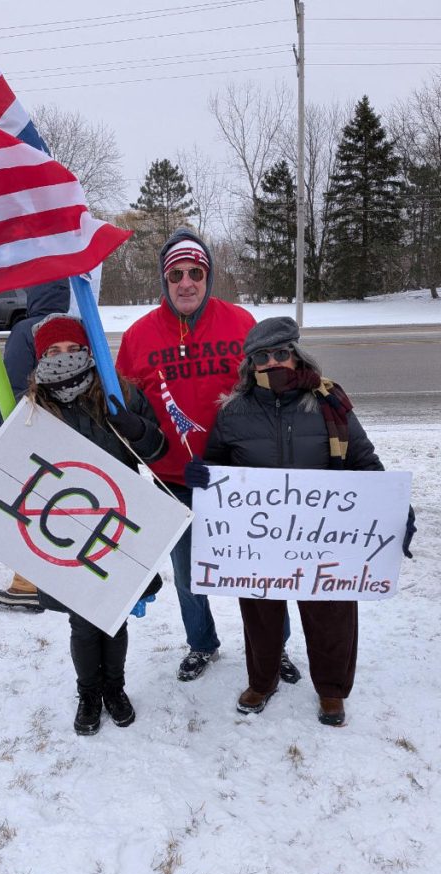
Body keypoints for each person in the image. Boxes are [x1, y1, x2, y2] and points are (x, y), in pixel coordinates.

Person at [185, 316, 414, 727]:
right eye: (261, 356)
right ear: (249, 364)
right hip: (259, 541)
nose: (272, 363)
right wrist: (202, 476)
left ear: (296, 354)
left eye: (280, 353)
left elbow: (364, 461)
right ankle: (263, 680)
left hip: (324, 538)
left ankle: (331, 690)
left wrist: (392, 509)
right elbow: (218, 465)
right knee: (260, 617)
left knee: (331, 615)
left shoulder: (329, 403)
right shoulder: (233, 410)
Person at [116, 228, 299, 683]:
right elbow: (124, 407)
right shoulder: (139, 336)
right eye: (175, 274)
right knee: (188, 576)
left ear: (208, 275)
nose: (185, 282)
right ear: (164, 279)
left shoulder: (240, 322)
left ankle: (273, 648)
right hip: (173, 480)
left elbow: (276, 388)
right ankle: (202, 643)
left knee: (259, 574)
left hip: (240, 479)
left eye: (194, 272)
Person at [27, 312, 168, 735]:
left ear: (88, 351)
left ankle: (114, 688)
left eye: (73, 350)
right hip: (66, 535)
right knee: (84, 622)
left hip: (116, 529)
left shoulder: (118, 392)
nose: (65, 359)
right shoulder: (31, 407)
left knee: (115, 618)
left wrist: (137, 428)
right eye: (53, 352)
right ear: (40, 358)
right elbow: (9, 470)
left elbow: (157, 450)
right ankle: (88, 692)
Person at [0, 278, 71, 611]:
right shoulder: (73, 327)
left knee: (32, 505)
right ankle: (61, 574)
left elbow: (12, 384)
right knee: (65, 500)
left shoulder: (24, 331)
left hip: (31, 428)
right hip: (70, 429)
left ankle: (28, 585)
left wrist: (0, 428)